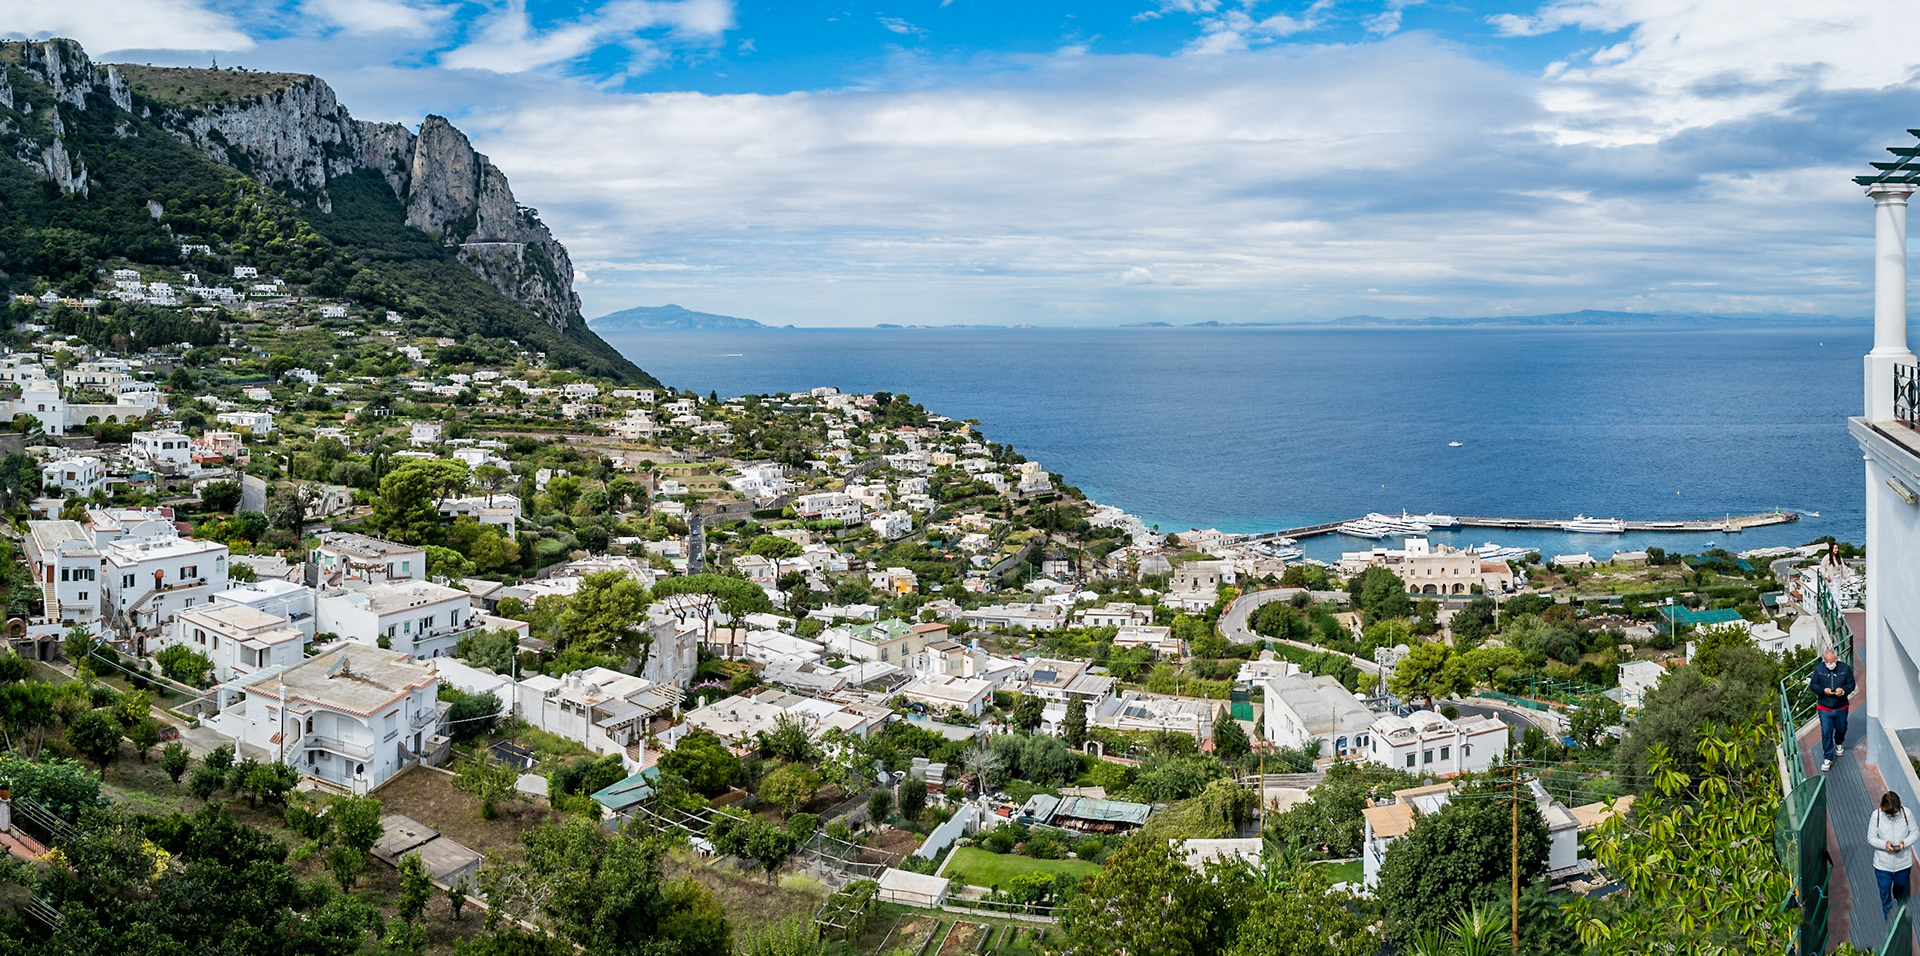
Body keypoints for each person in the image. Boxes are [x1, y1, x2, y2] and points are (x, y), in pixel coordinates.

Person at [1871, 791, 1918, 917]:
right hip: (1882, 865)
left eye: (1895, 813)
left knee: (1901, 889)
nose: (1892, 816)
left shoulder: (1907, 814)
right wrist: (1884, 845)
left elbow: (1915, 833)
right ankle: (1888, 915)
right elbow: (1871, 838)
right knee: (1884, 891)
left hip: (1903, 864)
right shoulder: (1876, 816)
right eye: (1888, 814)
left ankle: (1899, 910)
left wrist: (1904, 843)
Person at [1811, 645, 1856, 773]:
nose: (1830, 665)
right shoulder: (1819, 670)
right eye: (1827, 662)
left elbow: (1851, 684)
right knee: (1826, 732)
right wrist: (1823, 690)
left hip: (1841, 706)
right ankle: (1828, 757)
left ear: (1836, 659)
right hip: (1824, 707)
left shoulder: (1845, 669)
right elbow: (1813, 685)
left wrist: (1843, 690)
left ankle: (1839, 742)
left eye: (1832, 662)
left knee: (1842, 728)